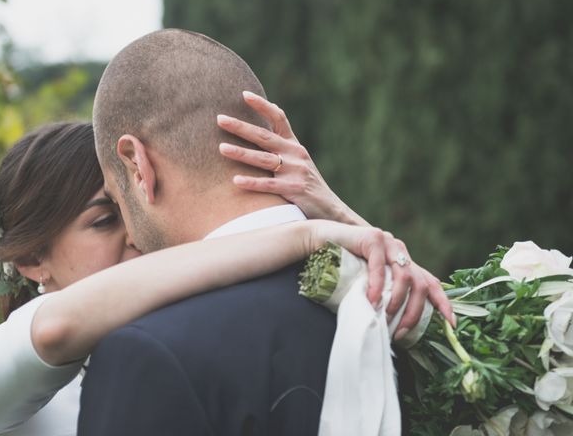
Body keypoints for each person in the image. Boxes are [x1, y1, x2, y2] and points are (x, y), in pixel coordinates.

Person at [0, 115, 430, 434]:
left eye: (131, 209)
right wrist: (301, 235)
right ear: (31, 262)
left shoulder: (184, 336)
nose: (134, 234)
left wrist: (341, 217)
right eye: (104, 220)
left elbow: (429, 329)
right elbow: (56, 327)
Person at [78, 29, 452, 435]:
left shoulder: (147, 353)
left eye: (117, 203)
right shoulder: (417, 313)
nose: (129, 238)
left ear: (137, 165)